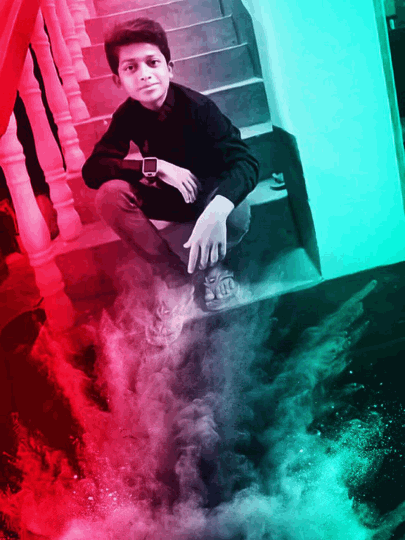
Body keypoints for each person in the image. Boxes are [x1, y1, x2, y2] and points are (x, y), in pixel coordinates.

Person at [82, 18, 260, 311]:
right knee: (109, 196)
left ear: (169, 68)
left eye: (153, 62)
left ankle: (214, 267)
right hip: (168, 199)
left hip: (210, 196)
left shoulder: (200, 108)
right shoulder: (127, 116)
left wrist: (218, 208)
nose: (144, 75)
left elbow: (246, 161)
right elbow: (93, 169)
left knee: (236, 213)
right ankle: (175, 277)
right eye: (130, 67)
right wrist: (154, 166)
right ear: (118, 80)